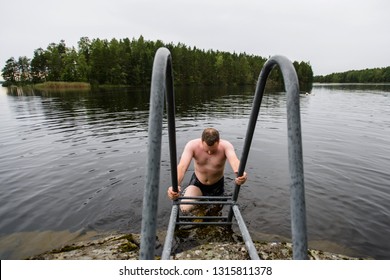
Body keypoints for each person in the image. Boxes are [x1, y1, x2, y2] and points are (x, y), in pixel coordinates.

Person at [167, 128, 247, 213]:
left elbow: (235, 161)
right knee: (185, 208)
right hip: (198, 183)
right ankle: (199, 214)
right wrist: (175, 186)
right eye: (206, 150)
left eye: (213, 150)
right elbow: (182, 167)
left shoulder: (226, 146)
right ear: (202, 141)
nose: (209, 153)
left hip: (217, 185)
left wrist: (241, 174)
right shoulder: (192, 145)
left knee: (215, 212)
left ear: (218, 142)